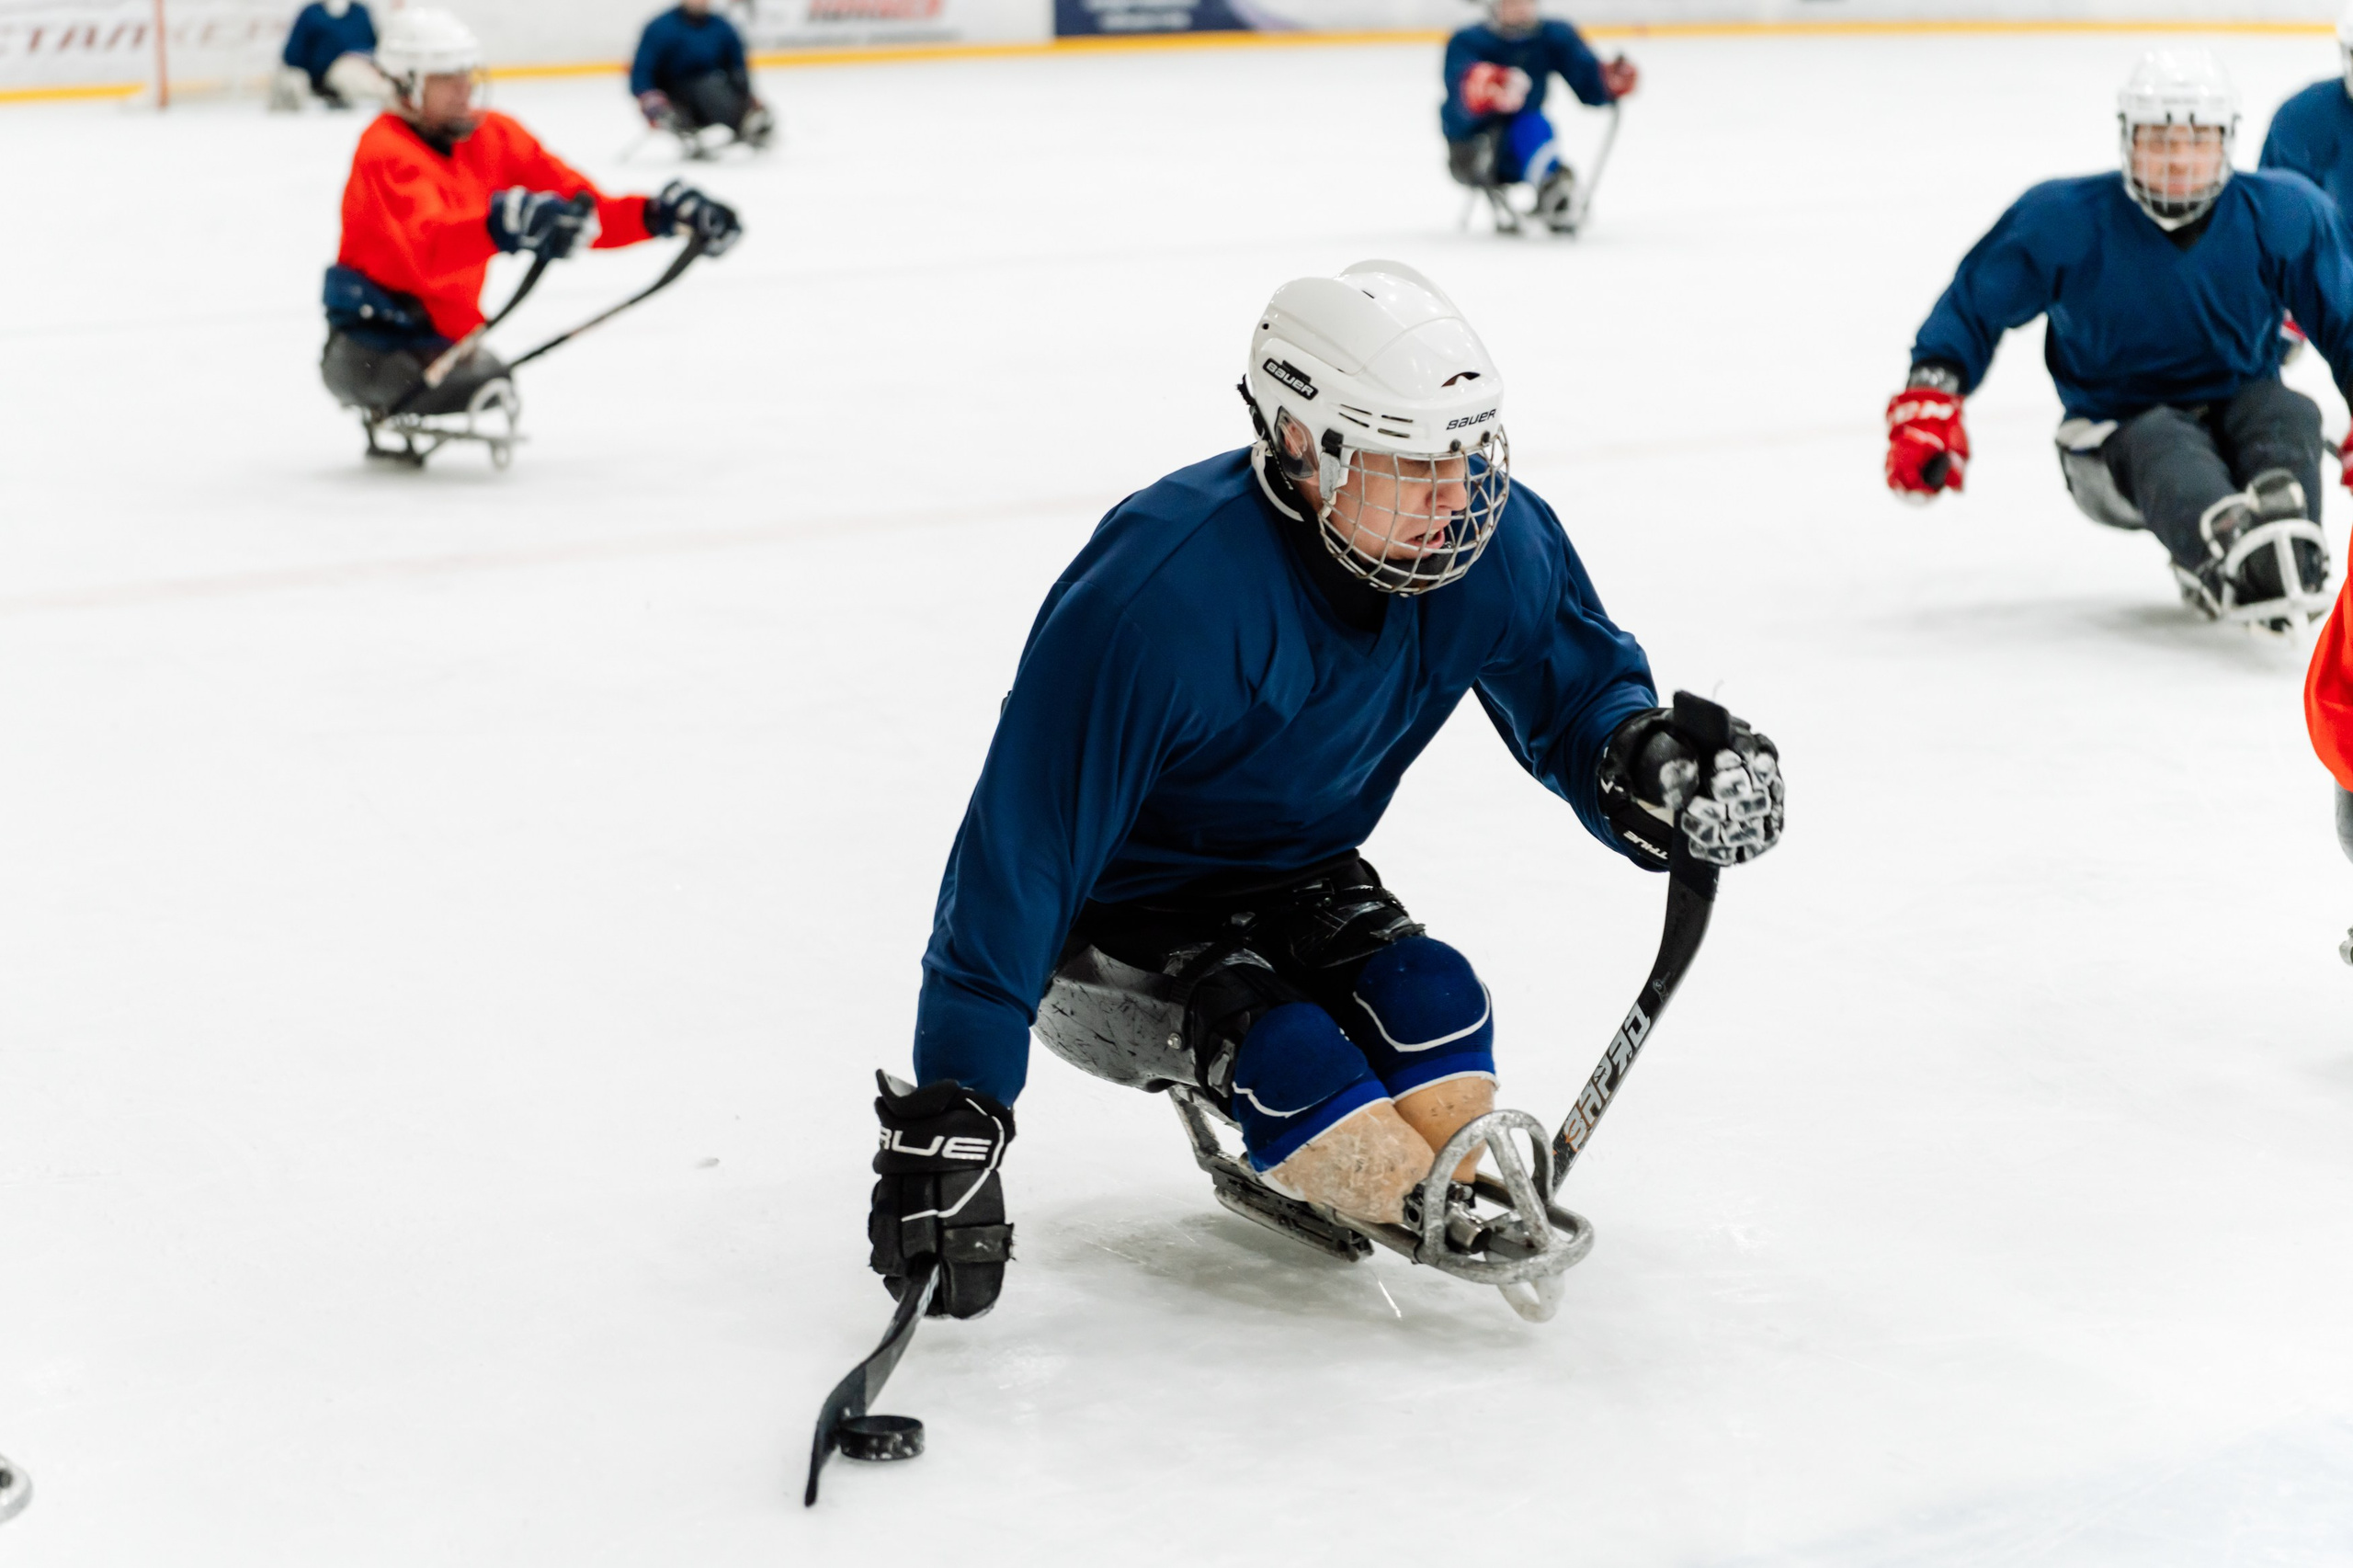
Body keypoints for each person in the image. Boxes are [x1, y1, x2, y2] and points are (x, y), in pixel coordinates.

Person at [868, 261, 1785, 1321]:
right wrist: (957, 1106)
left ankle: (1428, 1184)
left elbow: (1579, 696)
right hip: (1109, 919)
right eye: (1414, 463)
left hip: (1304, 875)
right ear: (1303, 446)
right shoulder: (1162, 595)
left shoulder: (1489, 546)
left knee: (1434, 996)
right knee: (1292, 1055)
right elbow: (1023, 853)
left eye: (1468, 455)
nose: (1459, 498)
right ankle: (1372, 1159)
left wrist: (1647, 764)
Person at [1887, 50, 2347, 633]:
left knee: (2289, 411)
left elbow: (2347, 321)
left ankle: (2287, 550)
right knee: (2162, 438)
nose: (2178, 160)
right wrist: (1931, 395)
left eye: (2197, 140)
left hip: (2238, 408)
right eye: (2159, 140)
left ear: (2226, 143)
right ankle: (2232, 549)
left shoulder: (2282, 212)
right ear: (2127, 140)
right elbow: (1975, 304)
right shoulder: (2063, 219)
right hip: (2113, 435)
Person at [319, 7, 743, 455]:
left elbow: (584, 208)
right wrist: (500, 225)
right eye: (444, 77)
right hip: (373, 348)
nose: (464, 87)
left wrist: (659, 216)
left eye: (465, 72)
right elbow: (428, 248)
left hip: (446, 343)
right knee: (476, 379)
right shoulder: (385, 151)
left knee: (486, 378)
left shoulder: (493, 136)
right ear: (405, 86)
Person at [1440, 0, 1635, 233]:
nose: (1521, 7)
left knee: (1531, 122)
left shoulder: (1553, 36)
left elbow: (1587, 84)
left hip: (1528, 139)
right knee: (1528, 123)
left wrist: (1606, 82)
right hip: (1475, 149)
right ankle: (1553, 187)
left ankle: (1553, 187)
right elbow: (1455, 105)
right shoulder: (1467, 41)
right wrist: (1480, 89)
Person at [631, 0, 774, 152]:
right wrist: (648, 96)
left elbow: (738, 68)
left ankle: (740, 124)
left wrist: (747, 97)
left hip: (715, 89)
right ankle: (701, 131)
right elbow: (642, 69)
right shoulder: (660, 27)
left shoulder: (722, 26)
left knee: (714, 86)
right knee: (707, 87)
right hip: (676, 95)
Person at [269, 0, 387, 111]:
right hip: (323, 77)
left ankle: (386, 95)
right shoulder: (312, 14)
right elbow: (292, 54)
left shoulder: (360, 13)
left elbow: (374, 48)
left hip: (360, 70)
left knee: (358, 73)